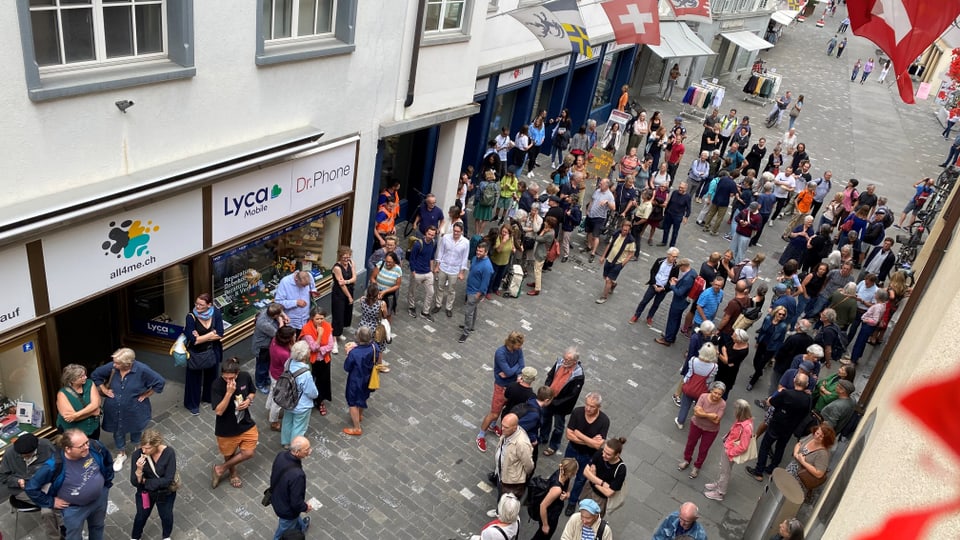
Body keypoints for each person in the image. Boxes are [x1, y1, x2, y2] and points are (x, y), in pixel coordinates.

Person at [26, 429, 114, 540]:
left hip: (99, 499)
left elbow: (107, 461)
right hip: (74, 509)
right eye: (81, 446)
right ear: (68, 449)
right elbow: (31, 488)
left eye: (86, 442)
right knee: (74, 537)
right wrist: (51, 502)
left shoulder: (95, 447)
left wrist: (106, 485)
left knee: (98, 527)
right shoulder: (53, 465)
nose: (87, 447)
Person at [91, 348, 164, 473]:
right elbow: (96, 375)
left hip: (134, 409)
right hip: (115, 409)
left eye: (117, 363)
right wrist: (104, 389)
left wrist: (146, 394)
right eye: (114, 362)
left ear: (128, 363)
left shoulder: (142, 370)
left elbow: (159, 382)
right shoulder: (114, 367)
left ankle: (138, 450)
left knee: (136, 429)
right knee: (118, 431)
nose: (114, 365)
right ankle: (121, 453)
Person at [746, 373, 812, 482]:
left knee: (765, 446)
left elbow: (770, 402)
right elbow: (806, 413)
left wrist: (777, 395)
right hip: (790, 428)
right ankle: (771, 468)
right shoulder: (807, 398)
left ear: (794, 381)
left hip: (777, 424)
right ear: (807, 384)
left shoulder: (786, 394)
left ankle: (758, 471)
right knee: (780, 448)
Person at [0, 433, 60, 539]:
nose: (23, 457)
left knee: (49, 509)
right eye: (21, 455)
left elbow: (58, 464)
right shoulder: (10, 454)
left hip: (45, 482)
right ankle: (57, 536)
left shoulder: (46, 446)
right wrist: (17, 481)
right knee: (49, 509)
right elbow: (3, 477)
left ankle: (61, 529)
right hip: (22, 489)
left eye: (26, 455)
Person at [211, 357, 257, 489]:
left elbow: (252, 392)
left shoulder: (245, 377)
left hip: (245, 422)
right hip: (226, 428)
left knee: (248, 452)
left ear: (237, 374)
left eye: (231, 378)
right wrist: (228, 393)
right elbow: (219, 411)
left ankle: (220, 469)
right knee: (229, 454)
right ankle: (233, 473)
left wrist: (248, 400)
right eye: (225, 378)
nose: (228, 381)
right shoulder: (217, 385)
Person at [477, 332, 526, 452]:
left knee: (505, 407)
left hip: (511, 384)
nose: (520, 348)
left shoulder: (518, 350)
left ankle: (493, 426)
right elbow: (512, 370)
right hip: (501, 386)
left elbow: (522, 366)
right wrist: (514, 368)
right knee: (494, 413)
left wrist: (511, 370)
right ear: (512, 343)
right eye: (518, 345)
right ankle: (480, 435)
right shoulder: (500, 353)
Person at [563, 392, 610, 516]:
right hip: (572, 449)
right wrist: (590, 441)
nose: (588, 408)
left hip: (589, 456)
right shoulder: (577, 412)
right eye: (587, 405)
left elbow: (597, 445)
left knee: (580, 480)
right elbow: (568, 435)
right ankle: (561, 492)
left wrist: (578, 434)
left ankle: (572, 502)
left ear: (598, 407)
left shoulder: (604, 421)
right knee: (565, 473)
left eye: (592, 406)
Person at [129, 429, 178, 540]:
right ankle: (135, 537)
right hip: (146, 493)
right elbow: (134, 482)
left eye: (148, 448)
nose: (144, 450)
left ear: (157, 445)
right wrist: (139, 470)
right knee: (141, 516)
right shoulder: (137, 455)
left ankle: (166, 536)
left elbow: (168, 480)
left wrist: (146, 481)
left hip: (165, 494)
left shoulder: (169, 453)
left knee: (166, 516)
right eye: (143, 447)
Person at [704, 399, 753, 501]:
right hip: (729, 447)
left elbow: (743, 446)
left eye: (736, 409)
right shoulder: (742, 421)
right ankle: (719, 484)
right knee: (724, 469)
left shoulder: (746, 427)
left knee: (725, 471)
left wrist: (730, 452)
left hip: (730, 451)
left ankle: (720, 493)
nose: (734, 411)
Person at [183, 292, 224, 415]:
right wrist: (211, 334)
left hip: (212, 350)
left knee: (212, 376)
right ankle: (192, 404)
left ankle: (209, 397)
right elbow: (193, 339)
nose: (197, 307)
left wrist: (201, 338)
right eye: (196, 304)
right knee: (193, 380)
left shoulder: (216, 313)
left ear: (209, 305)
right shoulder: (191, 317)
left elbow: (220, 333)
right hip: (196, 354)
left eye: (201, 304)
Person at [540, 349, 586, 457]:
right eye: (564, 358)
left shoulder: (578, 375)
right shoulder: (559, 362)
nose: (564, 361)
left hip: (561, 405)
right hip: (549, 398)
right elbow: (550, 376)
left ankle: (553, 446)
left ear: (575, 361)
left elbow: (572, 395)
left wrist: (555, 402)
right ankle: (543, 437)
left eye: (568, 360)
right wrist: (547, 389)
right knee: (545, 418)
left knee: (558, 426)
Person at [270, 436, 314, 539]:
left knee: (293, 520)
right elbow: (296, 502)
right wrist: (305, 507)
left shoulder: (281, 455)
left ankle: (301, 527)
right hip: (286, 509)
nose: (310, 451)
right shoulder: (297, 475)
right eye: (307, 449)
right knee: (283, 531)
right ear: (297, 452)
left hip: (277, 496)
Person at [280, 342, 319, 447]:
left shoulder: (288, 362)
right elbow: (311, 392)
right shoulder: (305, 373)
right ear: (305, 355)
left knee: (287, 421)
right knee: (299, 426)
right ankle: (295, 446)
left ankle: (285, 442)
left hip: (287, 400)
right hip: (301, 405)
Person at [531, 458, 579, 540]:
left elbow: (568, 489)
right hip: (550, 515)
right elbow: (543, 506)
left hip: (554, 511)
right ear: (571, 473)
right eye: (575, 472)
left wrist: (567, 495)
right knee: (541, 537)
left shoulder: (562, 473)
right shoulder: (557, 489)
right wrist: (545, 525)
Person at [343, 326, 378, 436]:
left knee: (352, 403)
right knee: (363, 396)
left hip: (356, 380)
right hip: (368, 377)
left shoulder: (354, 353)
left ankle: (357, 428)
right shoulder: (374, 346)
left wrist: (348, 353)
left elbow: (347, 367)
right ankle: (359, 415)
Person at [631, 247, 679, 326]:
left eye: (676, 257)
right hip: (654, 285)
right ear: (668, 255)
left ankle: (650, 317)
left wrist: (664, 288)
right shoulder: (659, 261)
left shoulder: (676, 267)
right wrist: (654, 284)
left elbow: (673, 280)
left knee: (656, 304)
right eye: (673, 256)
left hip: (663, 289)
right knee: (644, 301)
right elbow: (652, 271)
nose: (675, 258)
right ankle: (636, 315)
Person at [785, 425, 836, 500]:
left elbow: (819, 473)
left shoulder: (823, 454)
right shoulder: (812, 437)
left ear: (826, 440)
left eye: (821, 436)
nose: (817, 436)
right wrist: (796, 454)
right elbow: (799, 444)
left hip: (800, 479)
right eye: (817, 433)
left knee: (787, 496)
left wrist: (803, 462)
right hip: (792, 467)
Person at [745, 306, 789, 391]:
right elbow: (762, 331)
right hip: (762, 343)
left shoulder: (783, 326)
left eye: (783, 315)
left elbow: (780, 340)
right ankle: (758, 372)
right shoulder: (768, 318)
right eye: (780, 314)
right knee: (756, 360)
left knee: (761, 364)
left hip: (771, 347)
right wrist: (757, 342)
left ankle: (752, 382)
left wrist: (775, 354)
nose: (781, 316)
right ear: (775, 312)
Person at [300, 308, 334, 416]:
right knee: (309, 381)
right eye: (317, 319)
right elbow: (313, 348)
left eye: (322, 318)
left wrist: (321, 349)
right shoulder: (307, 330)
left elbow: (330, 345)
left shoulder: (327, 326)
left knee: (323, 381)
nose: (320, 321)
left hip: (324, 359)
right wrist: (319, 335)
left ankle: (320, 401)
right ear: (312, 318)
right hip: (311, 361)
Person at [493, 412, 534, 501]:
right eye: (502, 425)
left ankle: (502, 514)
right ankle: (498, 511)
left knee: (507, 501)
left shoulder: (521, 444)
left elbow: (529, 466)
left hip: (511, 481)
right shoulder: (508, 432)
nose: (502, 429)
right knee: (500, 495)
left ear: (514, 428)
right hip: (501, 474)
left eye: (506, 427)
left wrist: (517, 477)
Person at [676, 343, 719, 428]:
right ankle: (696, 423)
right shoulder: (714, 367)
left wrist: (685, 382)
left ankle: (680, 422)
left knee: (685, 406)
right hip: (702, 390)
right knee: (699, 406)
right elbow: (709, 380)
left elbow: (689, 374)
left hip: (689, 388)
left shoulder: (693, 360)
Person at [581, 438, 627, 516]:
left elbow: (609, 493)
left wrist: (593, 479)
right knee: (582, 509)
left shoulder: (621, 469)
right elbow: (585, 472)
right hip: (588, 489)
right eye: (604, 451)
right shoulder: (600, 453)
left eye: (608, 454)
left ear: (617, 455)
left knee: (592, 517)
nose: (603, 455)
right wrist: (602, 483)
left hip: (600, 498)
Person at [434, 222, 470, 318]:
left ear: (462, 232)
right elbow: (441, 251)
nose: (456, 233)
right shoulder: (446, 238)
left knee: (451, 290)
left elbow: (464, 258)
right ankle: (438, 304)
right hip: (443, 266)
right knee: (440, 287)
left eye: (458, 231)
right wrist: (437, 265)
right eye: (454, 231)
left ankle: (448, 307)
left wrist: (462, 272)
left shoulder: (466, 242)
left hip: (454, 269)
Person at [56, 364, 102, 440]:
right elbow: (70, 418)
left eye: (85, 375)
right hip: (73, 433)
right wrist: (92, 412)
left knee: (94, 449)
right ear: (72, 380)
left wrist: (76, 415)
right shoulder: (62, 394)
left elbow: (95, 404)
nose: (85, 377)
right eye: (81, 376)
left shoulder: (89, 383)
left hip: (92, 428)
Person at [460, 242, 494, 343]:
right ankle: (471, 326)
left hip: (475, 292)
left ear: (486, 252)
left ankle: (466, 332)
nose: (478, 252)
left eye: (481, 251)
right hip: (470, 289)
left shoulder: (487, 266)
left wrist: (478, 295)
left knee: (468, 312)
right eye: (477, 250)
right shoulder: (475, 258)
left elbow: (485, 283)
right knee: (473, 310)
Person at [657, 258, 696, 346]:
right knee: (677, 320)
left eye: (679, 267)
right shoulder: (692, 272)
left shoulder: (688, 279)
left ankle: (667, 339)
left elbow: (679, 292)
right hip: (683, 302)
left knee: (672, 320)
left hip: (679, 302)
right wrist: (678, 282)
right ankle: (671, 336)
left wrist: (673, 285)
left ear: (684, 266)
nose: (679, 268)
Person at [252, 303, 289, 394]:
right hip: (262, 348)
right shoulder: (264, 324)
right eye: (278, 315)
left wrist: (284, 315)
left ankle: (265, 378)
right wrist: (281, 322)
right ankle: (259, 383)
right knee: (262, 366)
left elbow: (278, 311)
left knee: (267, 364)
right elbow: (278, 334)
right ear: (274, 315)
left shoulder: (268, 310)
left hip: (269, 346)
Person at [596, 220, 636, 304]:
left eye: (627, 230)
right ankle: (613, 284)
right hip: (609, 259)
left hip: (618, 263)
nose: (625, 231)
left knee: (608, 280)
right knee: (605, 277)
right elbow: (609, 245)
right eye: (624, 229)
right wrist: (603, 256)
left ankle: (604, 297)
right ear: (621, 228)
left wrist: (623, 263)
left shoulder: (631, 241)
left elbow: (631, 254)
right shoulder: (616, 234)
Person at [266, 326, 296, 432]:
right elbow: (289, 366)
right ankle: (273, 421)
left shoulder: (274, 340)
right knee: (278, 401)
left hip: (273, 372)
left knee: (272, 392)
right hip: (281, 378)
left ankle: (268, 408)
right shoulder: (284, 354)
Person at [329, 246, 356, 352]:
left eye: (348, 257)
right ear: (340, 257)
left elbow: (354, 278)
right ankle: (333, 339)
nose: (346, 260)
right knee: (337, 315)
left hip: (349, 289)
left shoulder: (351, 263)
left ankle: (339, 333)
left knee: (346, 313)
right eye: (344, 258)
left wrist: (346, 281)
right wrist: (349, 296)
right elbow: (341, 285)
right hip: (339, 293)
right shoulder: (337, 268)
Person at [407, 226, 438, 315]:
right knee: (412, 291)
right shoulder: (418, 244)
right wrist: (413, 271)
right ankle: (411, 307)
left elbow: (432, 256)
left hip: (428, 272)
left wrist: (431, 269)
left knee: (431, 292)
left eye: (432, 235)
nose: (430, 236)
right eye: (429, 234)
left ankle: (425, 312)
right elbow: (412, 259)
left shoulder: (434, 243)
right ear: (425, 233)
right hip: (417, 272)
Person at [273, 270, 316, 335]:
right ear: (296, 279)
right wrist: (295, 303)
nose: (304, 287)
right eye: (302, 285)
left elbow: (313, 288)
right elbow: (278, 302)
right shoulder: (285, 282)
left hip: (306, 318)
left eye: (306, 286)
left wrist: (313, 292)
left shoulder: (309, 276)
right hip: (292, 322)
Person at [527, 216, 558, 296]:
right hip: (542, 252)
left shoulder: (549, 234)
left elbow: (537, 238)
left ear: (549, 224)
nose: (545, 223)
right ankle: (536, 283)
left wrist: (543, 231)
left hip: (541, 254)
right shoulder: (552, 231)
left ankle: (537, 289)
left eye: (546, 222)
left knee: (537, 271)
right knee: (537, 270)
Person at [660, 182, 692, 248]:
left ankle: (672, 245)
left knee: (675, 231)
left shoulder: (687, 197)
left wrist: (686, 217)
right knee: (666, 228)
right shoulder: (674, 192)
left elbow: (688, 208)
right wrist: (665, 211)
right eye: (679, 187)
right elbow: (670, 202)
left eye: (682, 188)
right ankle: (664, 241)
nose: (680, 189)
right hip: (669, 213)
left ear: (685, 189)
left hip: (678, 216)